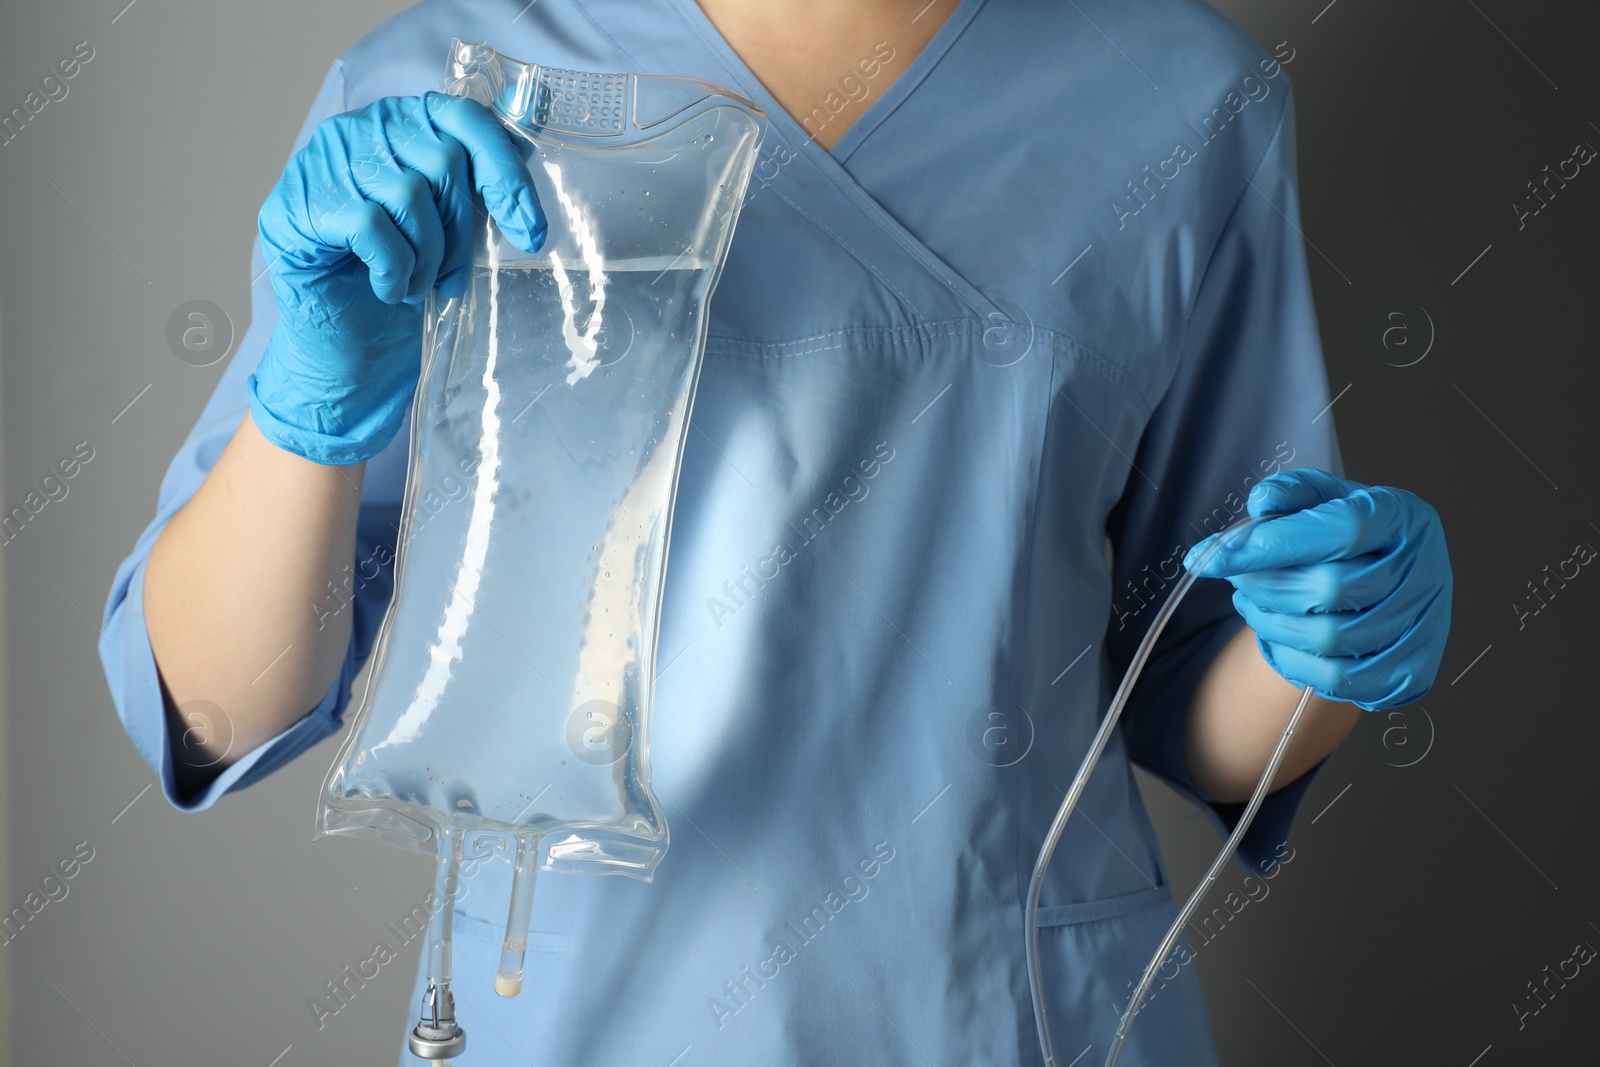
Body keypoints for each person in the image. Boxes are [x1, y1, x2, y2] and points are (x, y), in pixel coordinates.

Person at [99, 0, 1452, 1063]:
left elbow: (1195, 704)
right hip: (588, 1009)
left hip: (1004, 1011)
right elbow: (219, 705)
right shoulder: (446, 87)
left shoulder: (1180, 99)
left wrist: (1328, 643)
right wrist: (310, 411)